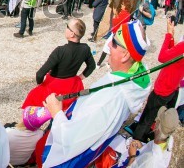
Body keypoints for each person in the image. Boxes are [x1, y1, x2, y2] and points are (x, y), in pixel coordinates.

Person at [39, 20, 151, 167]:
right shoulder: (129, 80)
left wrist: (57, 113)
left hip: (67, 158)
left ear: (125, 55)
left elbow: (71, 138)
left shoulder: (111, 99)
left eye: (115, 43)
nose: (109, 45)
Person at [22, 19, 95, 110]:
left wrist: (41, 85)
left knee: (32, 101)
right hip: (71, 85)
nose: (66, 28)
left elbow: (40, 74)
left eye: (68, 27)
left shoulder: (60, 51)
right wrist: (80, 77)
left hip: (54, 86)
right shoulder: (85, 48)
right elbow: (92, 66)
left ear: (72, 34)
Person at [130, 17, 184, 142]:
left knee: (147, 117)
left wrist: (168, 34)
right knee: (159, 115)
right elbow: (172, 56)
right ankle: (156, 134)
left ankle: (136, 140)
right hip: (173, 87)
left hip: (163, 88)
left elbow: (162, 57)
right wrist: (171, 36)